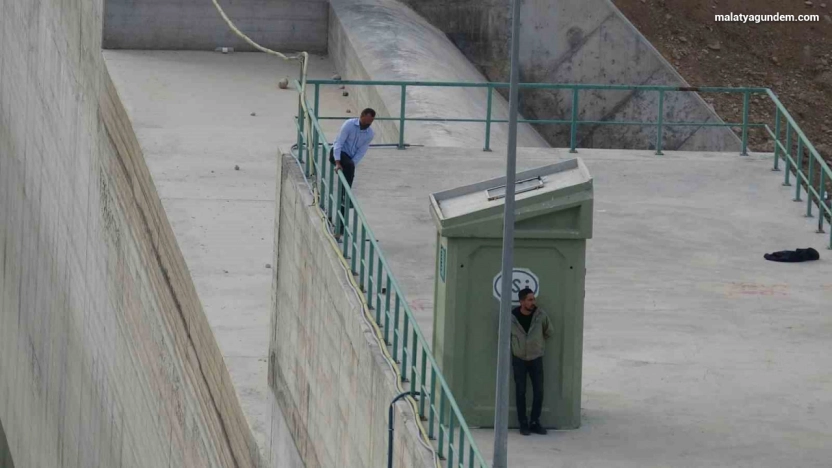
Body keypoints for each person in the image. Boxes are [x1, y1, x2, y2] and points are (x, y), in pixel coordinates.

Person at [329, 108, 376, 238]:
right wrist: (337, 162)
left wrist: (351, 163)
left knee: (346, 184)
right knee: (348, 170)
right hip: (337, 154)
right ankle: (346, 197)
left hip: (349, 160)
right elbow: (339, 143)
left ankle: (341, 225)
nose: (367, 125)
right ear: (361, 116)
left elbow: (361, 151)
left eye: (370, 122)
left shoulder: (370, 134)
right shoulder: (349, 125)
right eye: (366, 121)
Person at [511, 287, 552, 436]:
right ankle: (523, 423)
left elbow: (549, 331)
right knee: (520, 391)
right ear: (521, 301)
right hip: (519, 359)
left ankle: (535, 422)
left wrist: (537, 344)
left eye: (533, 299)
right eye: (529, 300)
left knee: (539, 391)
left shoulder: (540, 315)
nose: (533, 302)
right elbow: (503, 335)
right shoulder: (511, 317)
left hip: (536, 358)